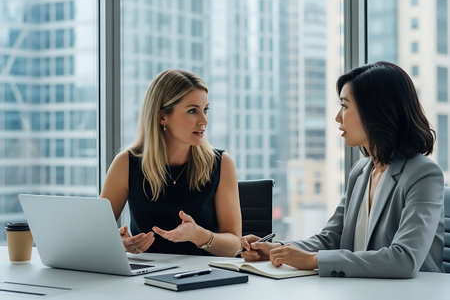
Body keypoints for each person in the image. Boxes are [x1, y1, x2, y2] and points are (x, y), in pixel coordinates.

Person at [240, 61, 445, 278]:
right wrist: (279, 249)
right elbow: (331, 238)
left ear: (375, 111)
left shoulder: (423, 175)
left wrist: (313, 260)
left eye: (345, 106)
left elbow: (404, 259)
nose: (338, 117)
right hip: (362, 291)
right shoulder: (361, 171)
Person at [100, 69, 241, 257]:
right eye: (193, 111)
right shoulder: (126, 163)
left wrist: (201, 236)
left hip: (206, 279)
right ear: (162, 117)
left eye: (205, 110)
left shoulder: (222, 163)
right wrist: (120, 243)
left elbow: (234, 245)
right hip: (144, 281)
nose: (204, 120)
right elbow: (96, 235)